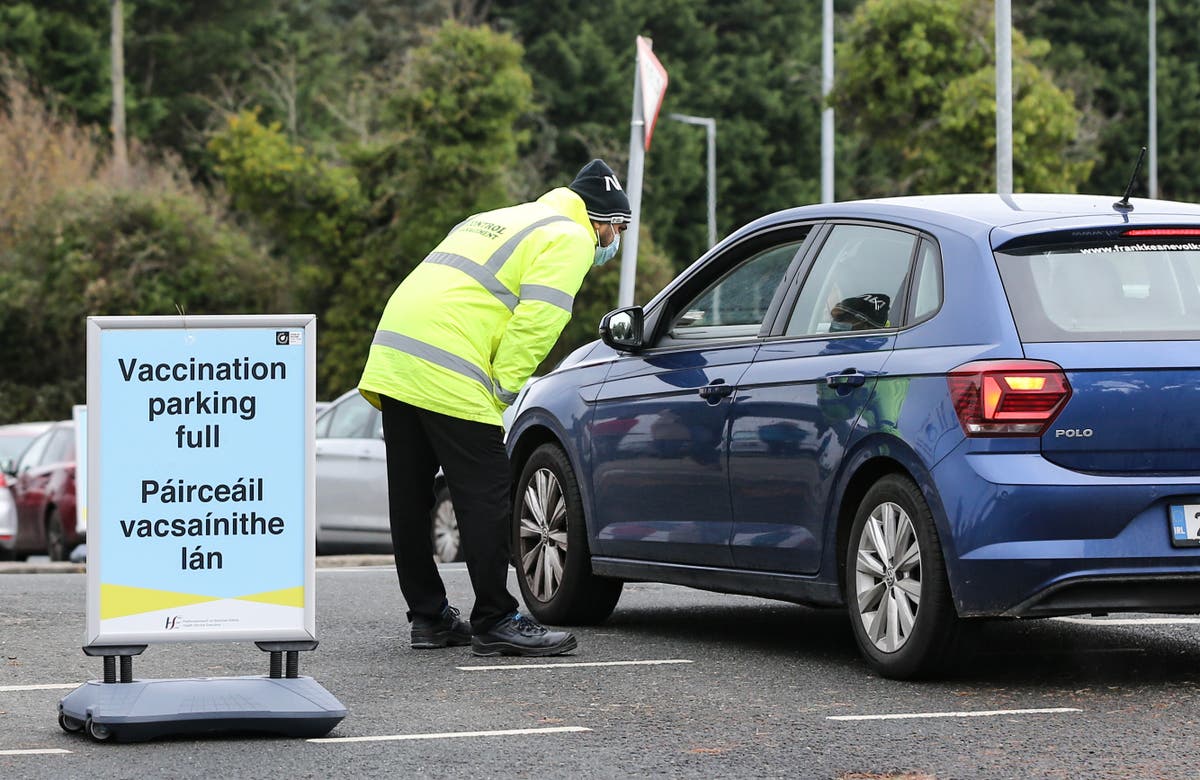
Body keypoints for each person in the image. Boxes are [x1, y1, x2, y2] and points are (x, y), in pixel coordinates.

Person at [358, 159, 631, 657]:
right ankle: (496, 617)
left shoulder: (504, 216)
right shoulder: (569, 237)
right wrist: (502, 389)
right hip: (450, 362)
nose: (614, 241)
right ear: (601, 220)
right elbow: (537, 323)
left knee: (411, 496)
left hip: (396, 353)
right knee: (487, 491)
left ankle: (429, 617)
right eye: (617, 228)